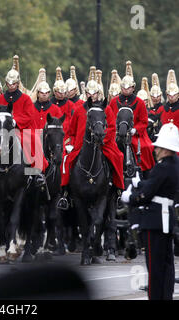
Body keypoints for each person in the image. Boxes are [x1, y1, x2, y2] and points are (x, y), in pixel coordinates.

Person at [121, 122, 179, 300]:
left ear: (164, 149)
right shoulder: (175, 165)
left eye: (158, 147)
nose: (155, 150)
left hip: (154, 220)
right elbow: (156, 186)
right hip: (167, 219)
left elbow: (147, 194)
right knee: (167, 265)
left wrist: (129, 197)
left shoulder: (162, 167)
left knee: (154, 267)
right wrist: (142, 183)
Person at [58, 68, 125, 209]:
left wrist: (103, 140)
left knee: (118, 157)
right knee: (65, 160)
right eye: (89, 93)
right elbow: (71, 131)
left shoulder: (106, 109)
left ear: (98, 93)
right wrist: (69, 144)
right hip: (80, 145)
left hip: (103, 143)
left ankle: (119, 190)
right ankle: (64, 192)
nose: (92, 96)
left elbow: (112, 128)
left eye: (94, 93)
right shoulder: (78, 110)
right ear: (85, 93)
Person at [0, 67, 49, 186]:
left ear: (18, 83)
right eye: (9, 83)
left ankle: (37, 171)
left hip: (21, 129)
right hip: (2, 130)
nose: (11, 85)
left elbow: (29, 116)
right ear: (6, 83)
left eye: (14, 83)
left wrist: (14, 122)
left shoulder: (26, 99)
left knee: (33, 142)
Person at [109, 61, 155, 177]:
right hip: (116, 133)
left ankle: (146, 173)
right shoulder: (114, 101)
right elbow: (109, 118)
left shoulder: (139, 102)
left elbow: (144, 121)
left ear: (133, 88)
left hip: (134, 134)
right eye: (123, 88)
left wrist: (135, 129)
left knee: (146, 148)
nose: (126, 90)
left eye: (128, 88)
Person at [51, 67, 75, 135]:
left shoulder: (70, 105)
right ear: (54, 91)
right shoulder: (49, 104)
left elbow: (73, 121)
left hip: (66, 134)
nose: (62, 95)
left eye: (64, 92)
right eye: (59, 92)